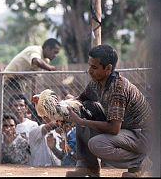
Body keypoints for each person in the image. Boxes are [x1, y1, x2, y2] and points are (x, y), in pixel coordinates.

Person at [65, 44, 153, 177]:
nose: (90, 70)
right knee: (84, 107)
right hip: (126, 130)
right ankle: (88, 167)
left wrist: (81, 121)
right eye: (89, 66)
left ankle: (140, 163)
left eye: (94, 67)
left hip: (142, 135)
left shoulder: (117, 89)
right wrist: (55, 104)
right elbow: (80, 100)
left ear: (108, 69)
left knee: (96, 144)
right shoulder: (96, 82)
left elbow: (113, 129)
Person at [3, 38, 61, 105]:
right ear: (48, 48)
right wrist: (50, 68)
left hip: (21, 83)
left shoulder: (45, 60)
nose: (55, 56)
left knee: (24, 106)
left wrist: (34, 94)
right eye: (55, 52)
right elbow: (36, 61)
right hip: (10, 80)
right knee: (15, 105)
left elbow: (34, 77)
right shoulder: (36, 50)